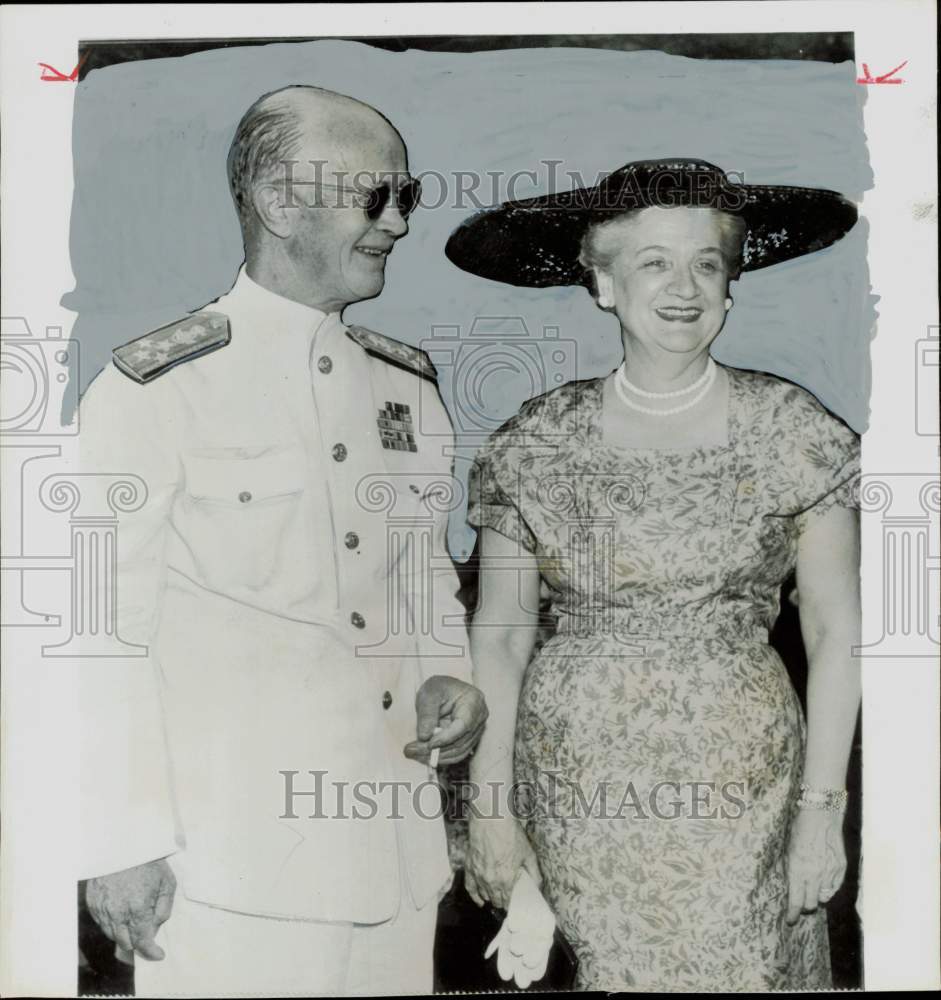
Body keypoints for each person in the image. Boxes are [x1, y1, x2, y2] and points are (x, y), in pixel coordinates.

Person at [76, 85, 487, 996]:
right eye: (374, 196)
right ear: (278, 201)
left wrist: (446, 673)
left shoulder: (405, 386)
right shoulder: (155, 389)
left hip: (392, 851)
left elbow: (420, 571)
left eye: (406, 197)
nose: (398, 224)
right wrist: (120, 840)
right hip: (224, 866)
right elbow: (97, 637)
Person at [446, 159, 861, 991]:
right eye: (652, 262)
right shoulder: (536, 439)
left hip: (744, 790)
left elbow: (836, 632)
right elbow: (498, 639)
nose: (684, 287)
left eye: (706, 262)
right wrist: (489, 807)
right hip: (576, 789)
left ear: (730, 284)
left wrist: (821, 814)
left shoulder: (792, 430)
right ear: (601, 284)